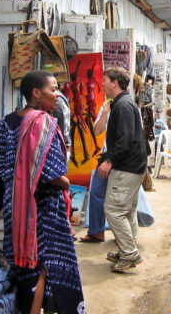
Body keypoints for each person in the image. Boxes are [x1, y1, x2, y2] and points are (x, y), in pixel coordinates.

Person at [0, 70, 85, 314]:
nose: (58, 95)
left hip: (18, 206)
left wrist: (13, 174)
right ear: (36, 93)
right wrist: (66, 184)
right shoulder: (41, 122)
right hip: (42, 208)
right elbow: (52, 175)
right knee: (43, 266)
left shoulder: (11, 120)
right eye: (53, 90)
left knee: (25, 266)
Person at [97, 67, 147, 272]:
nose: (103, 84)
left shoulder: (123, 105)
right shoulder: (123, 103)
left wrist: (110, 160)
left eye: (105, 80)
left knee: (114, 209)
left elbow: (124, 139)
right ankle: (128, 248)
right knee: (126, 211)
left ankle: (129, 253)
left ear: (115, 83)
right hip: (133, 166)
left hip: (127, 166)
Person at [79, 99, 111, 243]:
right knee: (96, 192)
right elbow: (97, 130)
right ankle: (97, 231)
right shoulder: (106, 106)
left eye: (105, 80)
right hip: (106, 156)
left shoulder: (128, 106)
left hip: (120, 159)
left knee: (121, 199)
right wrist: (105, 112)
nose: (103, 84)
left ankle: (125, 238)